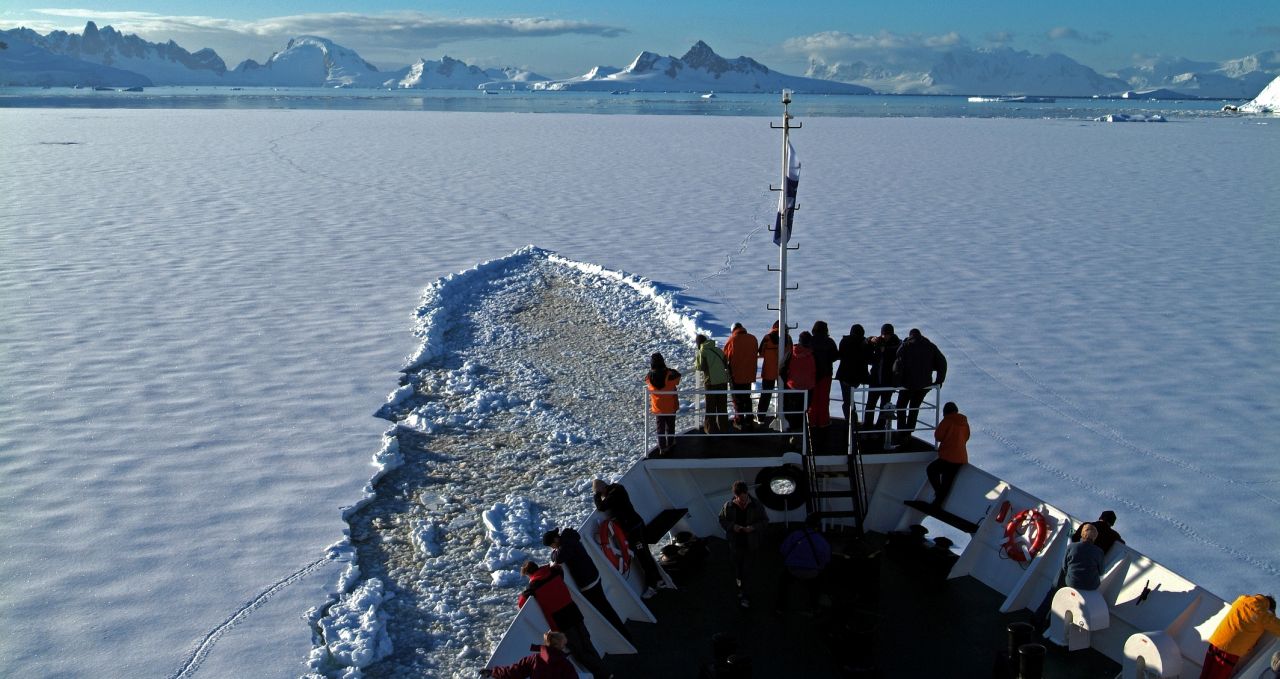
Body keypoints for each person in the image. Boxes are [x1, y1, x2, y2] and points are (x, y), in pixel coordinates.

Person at [517, 562, 613, 678]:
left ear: (528, 574)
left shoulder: (533, 587)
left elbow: (521, 602)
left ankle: (603, 674)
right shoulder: (554, 572)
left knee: (579, 651)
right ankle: (605, 671)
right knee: (587, 643)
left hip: (561, 621)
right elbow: (559, 568)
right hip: (573, 611)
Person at [544, 527, 631, 640]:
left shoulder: (566, 547)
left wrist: (554, 554)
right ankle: (623, 633)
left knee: (605, 610)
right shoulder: (570, 538)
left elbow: (558, 558)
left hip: (588, 583)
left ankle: (623, 635)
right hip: (594, 576)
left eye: (552, 546)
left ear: (555, 540)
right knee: (606, 607)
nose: (553, 548)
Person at [592, 479, 661, 598]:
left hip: (634, 529)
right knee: (645, 555)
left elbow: (601, 507)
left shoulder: (614, 493)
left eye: (600, 493)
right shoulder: (618, 488)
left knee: (643, 557)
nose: (601, 496)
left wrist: (596, 496)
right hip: (635, 525)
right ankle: (658, 580)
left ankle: (653, 586)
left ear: (602, 489)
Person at [1035, 523, 1104, 632]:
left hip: (1071, 583)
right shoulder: (1099, 552)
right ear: (1094, 537)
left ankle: (1037, 620)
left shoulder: (1072, 546)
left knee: (1054, 590)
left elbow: (1064, 566)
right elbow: (1101, 571)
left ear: (1082, 534)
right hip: (1089, 588)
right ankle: (1054, 626)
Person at [1198, 594, 1280, 679]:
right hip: (1229, 651)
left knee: (1205, 675)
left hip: (1215, 643)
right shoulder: (1263, 615)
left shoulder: (1242, 599)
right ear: (1269, 608)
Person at [718, 480, 768, 608]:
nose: (743, 501)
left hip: (751, 544)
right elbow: (722, 519)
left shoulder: (756, 505)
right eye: (740, 499)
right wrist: (732, 526)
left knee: (748, 571)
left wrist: (753, 528)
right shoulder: (728, 506)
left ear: (747, 493)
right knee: (738, 570)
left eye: (744, 498)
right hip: (735, 545)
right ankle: (741, 589)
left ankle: (746, 596)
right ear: (735, 496)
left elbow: (764, 521)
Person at [893, 328, 947, 440]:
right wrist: (939, 381)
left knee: (901, 406)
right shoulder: (930, 346)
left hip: (907, 385)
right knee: (914, 406)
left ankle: (902, 430)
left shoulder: (906, 346)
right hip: (923, 385)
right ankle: (909, 432)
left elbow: (897, 365)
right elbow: (942, 362)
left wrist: (897, 381)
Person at [775, 514, 831, 614]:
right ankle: (814, 607)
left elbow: (783, 549)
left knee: (783, 582)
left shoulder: (795, 535)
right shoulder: (821, 540)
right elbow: (826, 558)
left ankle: (780, 607)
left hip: (793, 570)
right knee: (817, 584)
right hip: (812, 572)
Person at [481, 630, 577, 679]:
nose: (565, 647)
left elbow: (513, 672)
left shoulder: (534, 659)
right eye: (564, 644)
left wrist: (492, 672)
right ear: (559, 646)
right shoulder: (565, 664)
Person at [927, 401, 969, 507]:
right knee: (947, 481)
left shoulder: (947, 420)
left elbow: (938, 436)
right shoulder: (964, 422)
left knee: (931, 470)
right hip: (961, 457)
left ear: (945, 412)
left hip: (948, 456)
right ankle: (938, 503)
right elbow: (967, 437)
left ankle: (938, 495)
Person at [865, 323, 901, 431]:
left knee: (884, 407)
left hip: (887, 381)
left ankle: (879, 428)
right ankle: (867, 427)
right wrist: (870, 340)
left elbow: (897, 351)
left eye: (888, 334)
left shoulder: (896, 344)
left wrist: (885, 351)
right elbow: (865, 344)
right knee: (870, 406)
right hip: (875, 380)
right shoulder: (878, 341)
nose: (886, 336)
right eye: (884, 334)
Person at [723, 323, 760, 429]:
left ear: (733, 330)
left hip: (736, 375)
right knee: (747, 398)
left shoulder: (732, 340)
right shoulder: (753, 338)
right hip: (749, 374)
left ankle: (739, 421)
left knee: (737, 399)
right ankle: (749, 420)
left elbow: (725, 356)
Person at [695, 334, 731, 434]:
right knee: (722, 406)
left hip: (711, 383)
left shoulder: (702, 352)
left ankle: (710, 429)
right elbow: (725, 361)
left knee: (710, 407)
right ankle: (724, 428)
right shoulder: (717, 350)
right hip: (723, 382)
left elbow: (700, 367)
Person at [756, 322, 792, 425]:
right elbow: (791, 353)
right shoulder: (788, 338)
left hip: (769, 371)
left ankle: (761, 417)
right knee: (784, 395)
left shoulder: (767, 338)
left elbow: (761, 352)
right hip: (784, 372)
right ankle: (785, 416)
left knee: (766, 395)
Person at [836, 323, 872, 424]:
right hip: (859, 376)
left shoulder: (844, 341)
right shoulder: (864, 343)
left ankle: (851, 422)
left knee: (847, 402)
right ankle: (854, 423)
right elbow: (870, 359)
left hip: (844, 376)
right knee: (850, 401)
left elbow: (841, 354)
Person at [645, 353, 681, 454]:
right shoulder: (670, 375)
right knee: (670, 426)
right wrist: (668, 369)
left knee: (660, 428)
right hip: (670, 406)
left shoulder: (649, 377)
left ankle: (662, 447)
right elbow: (678, 378)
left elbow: (646, 380)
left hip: (658, 407)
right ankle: (670, 442)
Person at [783, 332, 816, 436]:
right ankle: (800, 433)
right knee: (803, 410)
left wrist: (787, 379)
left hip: (793, 386)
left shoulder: (791, 353)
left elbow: (782, 369)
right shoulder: (811, 354)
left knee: (792, 410)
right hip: (807, 388)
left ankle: (793, 433)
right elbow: (815, 370)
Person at [809, 321, 838, 429]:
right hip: (826, 374)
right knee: (824, 399)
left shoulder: (810, 341)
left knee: (812, 399)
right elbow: (835, 356)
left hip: (812, 374)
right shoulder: (829, 341)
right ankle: (823, 421)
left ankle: (811, 421)